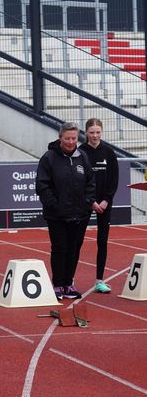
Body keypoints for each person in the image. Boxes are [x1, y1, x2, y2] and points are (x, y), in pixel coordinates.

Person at [36, 121, 97, 300]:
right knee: (60, 248)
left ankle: (68, 284)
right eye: (67, 138)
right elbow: (42, 185)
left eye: (74, 138)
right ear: (60, 138)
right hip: (56, 215)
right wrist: (55, 205)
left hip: (80, 214)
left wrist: (86, 203)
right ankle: (58, 285)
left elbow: (90, 183)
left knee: (74, 249)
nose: (71, 142)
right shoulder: (49, 158)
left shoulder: (83, 157)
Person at [79, 118, 118, 293]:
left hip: (104, 203)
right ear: (86, 133)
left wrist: (105, 200)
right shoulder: (80, 152)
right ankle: (69, 280)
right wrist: (91, 201)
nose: (95, 136)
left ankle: (99, 280)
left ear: (102, 133)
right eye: (92, 132)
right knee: (76, 241)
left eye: (98, 132)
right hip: (85, 203)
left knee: (102, 241)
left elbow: (114, 180)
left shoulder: (109, 153)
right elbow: (78, 181)